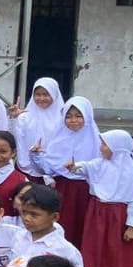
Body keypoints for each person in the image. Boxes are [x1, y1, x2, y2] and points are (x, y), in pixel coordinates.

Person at [71, 130, 133, 267]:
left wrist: (131, 226)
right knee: (93, 250)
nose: (101, 148)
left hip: (116, 218)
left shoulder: (130, 173)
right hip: (97, 213)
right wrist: (74, 167)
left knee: (114, 253)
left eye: (105, 144)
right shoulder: (100, 164)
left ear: (117, 148)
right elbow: (86, 167)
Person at [31, 96, 101, 247]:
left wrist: (82, 168)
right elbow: (48, 166)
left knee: (83, 223)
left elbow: (101, 166)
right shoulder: (58, 139)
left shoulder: (97, 141)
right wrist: (36, 156)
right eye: (68, 116)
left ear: (87, 116)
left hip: (86, 189)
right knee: (64, 222)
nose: (73, 120)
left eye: (78, 116)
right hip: (63, 188)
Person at [11, 185, 91, 267]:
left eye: (34, 215)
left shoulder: (65, 250)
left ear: (54, 217)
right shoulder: (18, 236)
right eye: (24, 212)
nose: (26, 218)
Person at [10, 77, 64, 180]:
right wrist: (14, 118)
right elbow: (14, 138)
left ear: (54, 94)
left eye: (46, 94)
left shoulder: (62, 119)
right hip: (26, 170)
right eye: (38, 94)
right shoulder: (25, 117)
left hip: (53, 172)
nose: (41, 98)